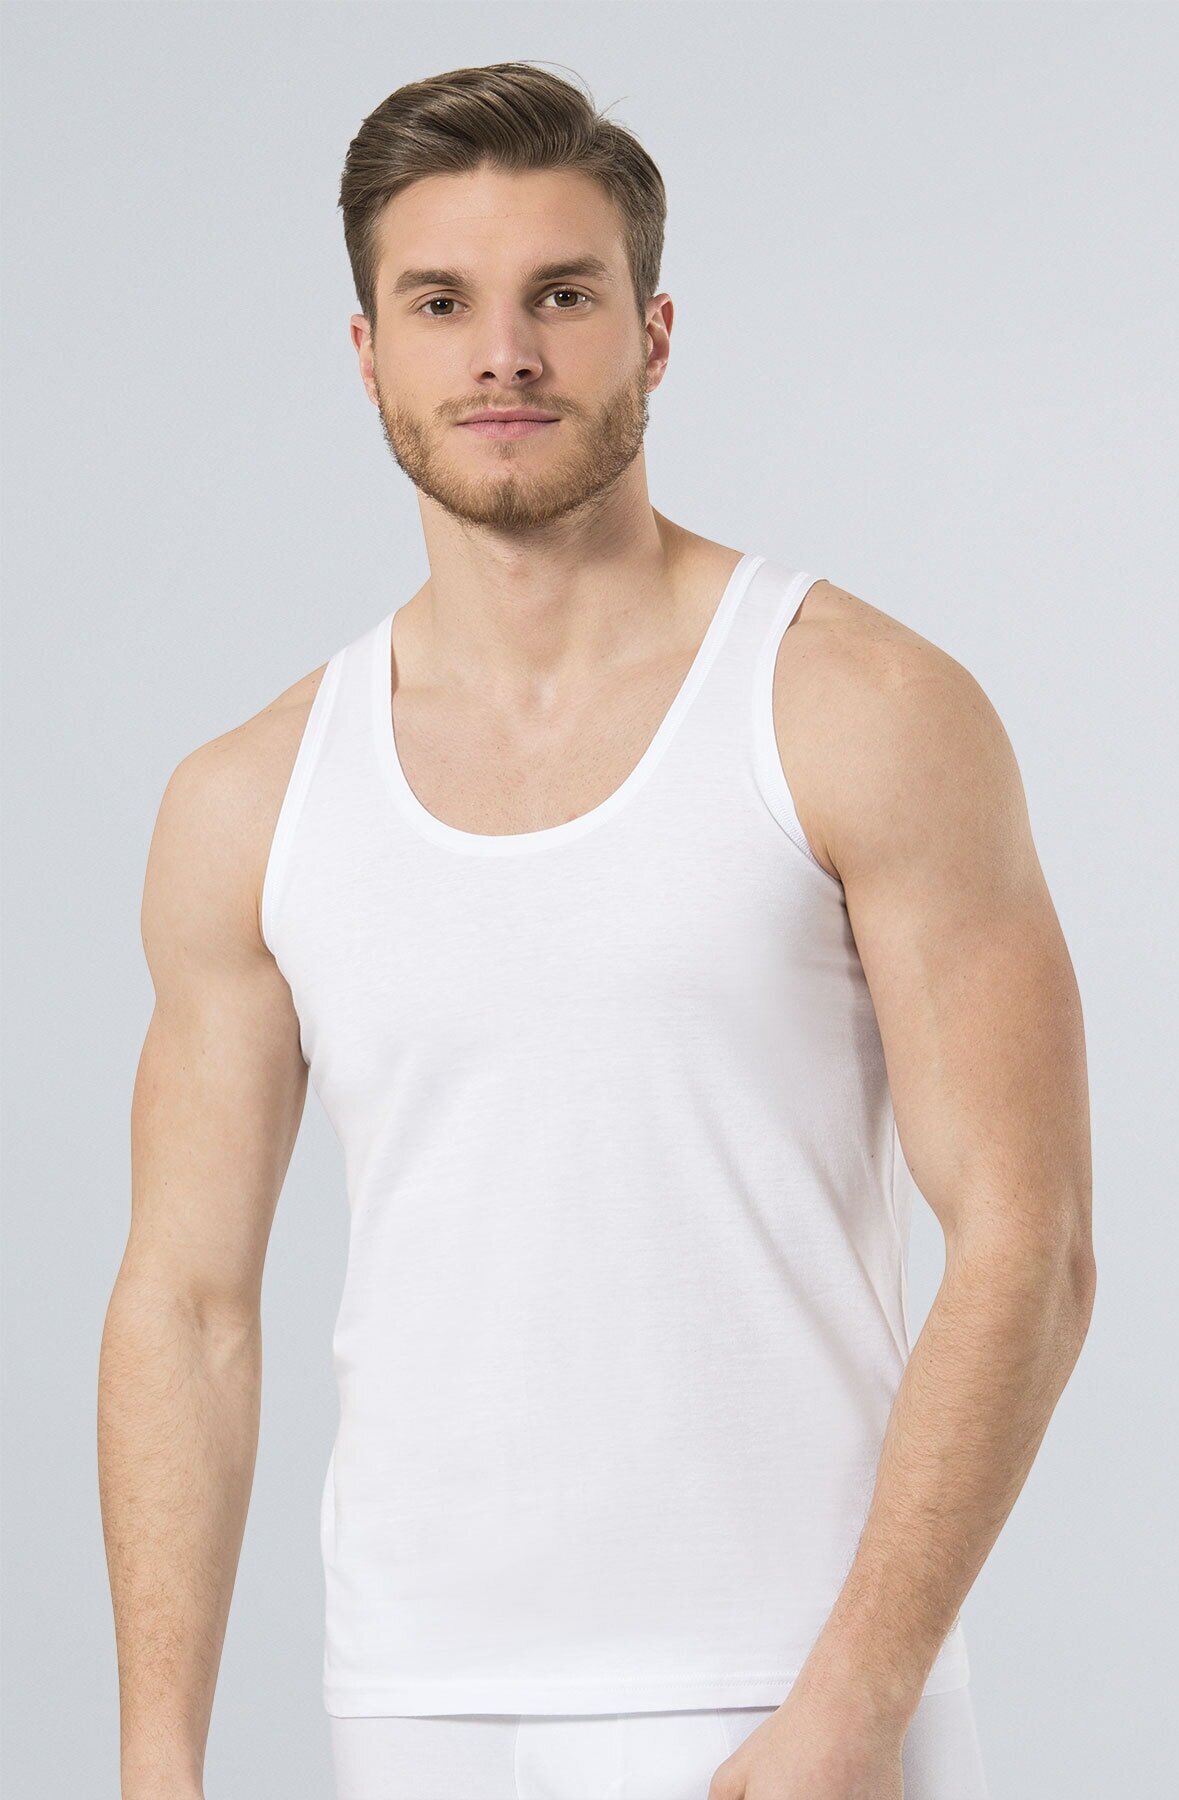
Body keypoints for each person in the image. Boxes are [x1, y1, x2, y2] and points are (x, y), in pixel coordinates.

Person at [98, 60, 1096, 1800]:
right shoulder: (251, 799)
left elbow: (1032, 1240)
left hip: (786, 1696)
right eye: (442, 303)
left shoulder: (855, 708)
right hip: (412, 1704)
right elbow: (186, 1306)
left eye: (562, 295)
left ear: (653, 333)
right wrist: (156, 1760)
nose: (505, 354)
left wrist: (855, 1700)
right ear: (368, 354)